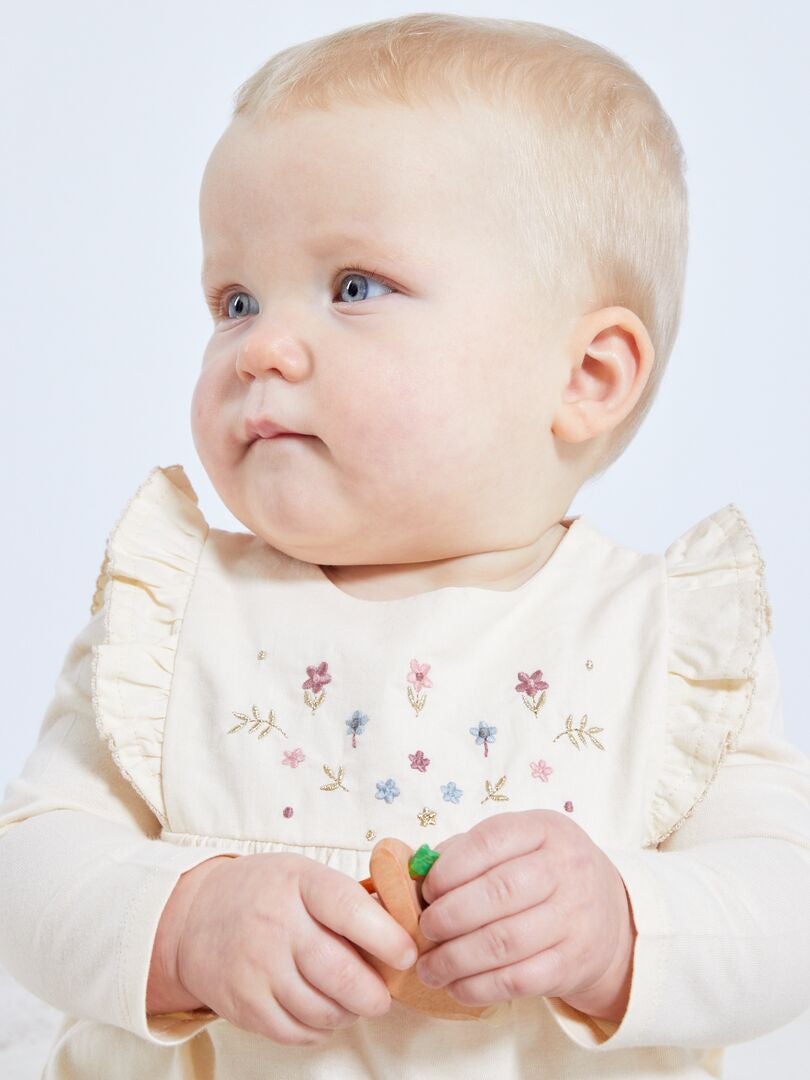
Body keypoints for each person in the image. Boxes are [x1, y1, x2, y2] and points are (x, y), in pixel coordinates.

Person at [2, 12, 809, 1079]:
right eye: (234, 300)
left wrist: (623, 924)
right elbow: (33, 860)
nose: (262, 348)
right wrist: (184, 925)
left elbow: (784, 907)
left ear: (586, 377)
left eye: (353, 288)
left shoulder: (659, 645)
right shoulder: (176, 617)